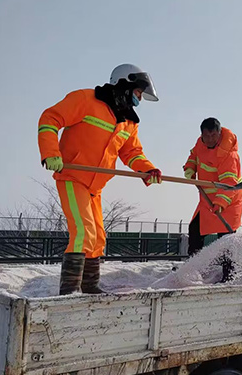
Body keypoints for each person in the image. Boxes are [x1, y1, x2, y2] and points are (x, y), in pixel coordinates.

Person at [38, 64, 162, 295]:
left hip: (96, 186)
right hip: (73, 177)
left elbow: (131, 153)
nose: (138, 100)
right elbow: (50, 118)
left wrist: (148, 170)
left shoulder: (128, 122)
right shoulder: (85, 99)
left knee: (97, 239)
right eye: (137, 93)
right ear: (124, 84)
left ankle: (89, 286)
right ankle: (70, 291)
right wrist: (51, 153)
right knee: (84, 233)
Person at [182, 117, 242, 282]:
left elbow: (230, 182)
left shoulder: (228, 153)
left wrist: (221, 203)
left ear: (219, 133)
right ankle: (193, 270)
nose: (210, 140)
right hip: (207, 200)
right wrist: (189, 169)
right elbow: (194, 156)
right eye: (206, 136)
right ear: (201, 134)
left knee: (226, 239)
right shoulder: (200, 143)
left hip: (228, 201)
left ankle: (229, 276)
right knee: (195, 230)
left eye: (213, 136)